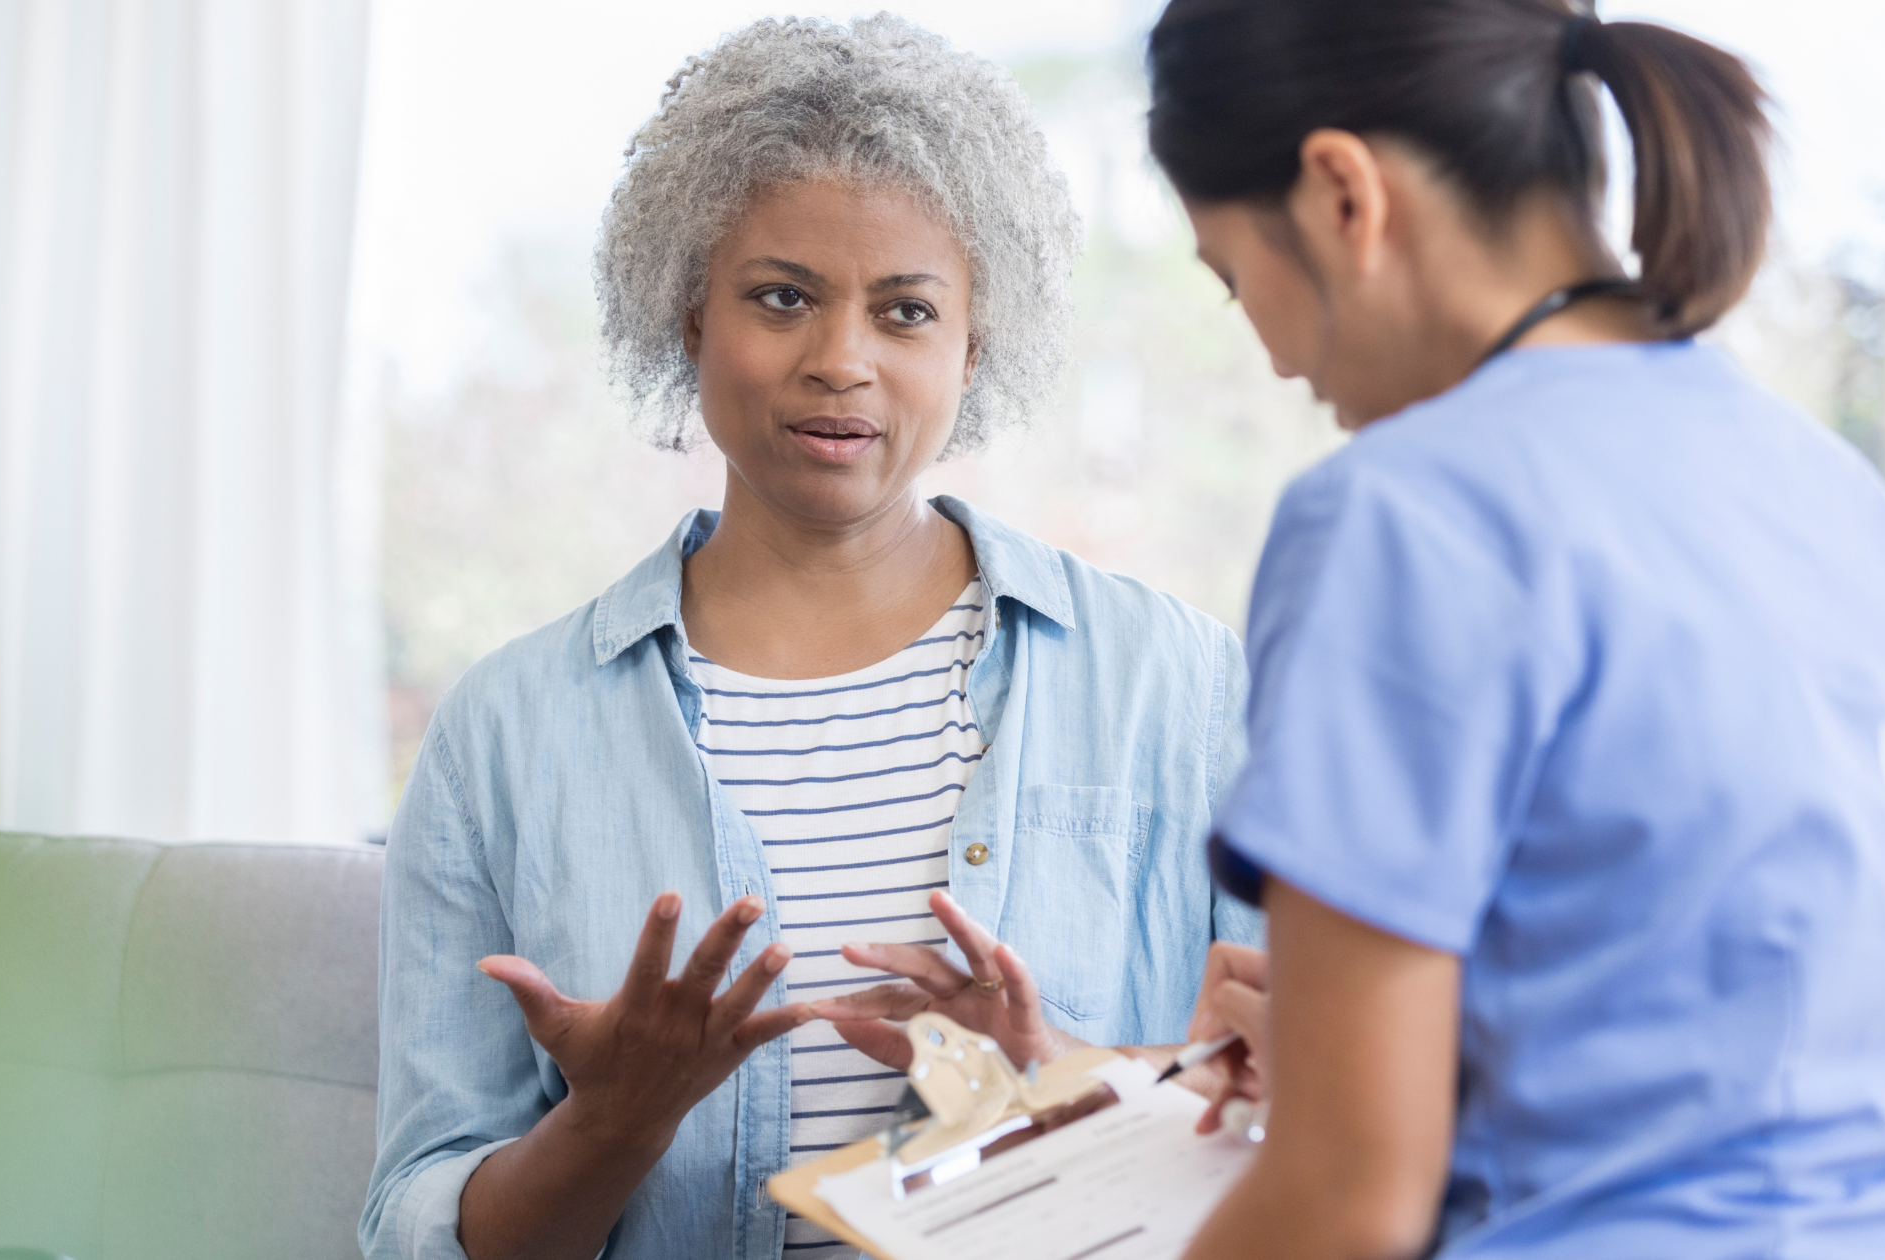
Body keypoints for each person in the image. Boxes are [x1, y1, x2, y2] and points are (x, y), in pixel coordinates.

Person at [360, 17, 1263, 1260]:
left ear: (972, 345)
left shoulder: (1178, 682)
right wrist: (610, 1125)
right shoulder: (502, 736)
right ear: (687, 316)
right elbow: (412, 1232)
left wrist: (1051, 1079)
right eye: (781, 298)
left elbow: (1300, 1140)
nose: (840, 361)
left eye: (904, 312)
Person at [1142, 1, 1885, 1256]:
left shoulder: (1401, 512)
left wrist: (1350, 1116)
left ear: (1341, 193)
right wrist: (1421, 1044)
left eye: (1232, 277)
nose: (1273, 359)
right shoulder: (1835, 498)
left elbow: (1344, 1204)